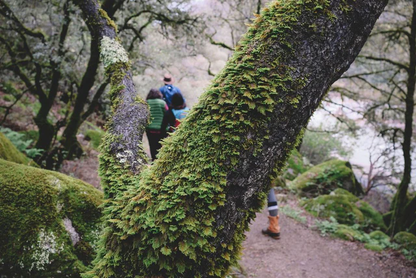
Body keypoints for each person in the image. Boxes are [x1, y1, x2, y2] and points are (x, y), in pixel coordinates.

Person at [145, 88, 168, 161]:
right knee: (161, 147)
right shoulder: (163, 103)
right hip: (161, 129)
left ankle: (153, 161)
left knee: (152, 147)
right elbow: (167, 113)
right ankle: (161, 162)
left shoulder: (146, 103)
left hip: (150, 129)